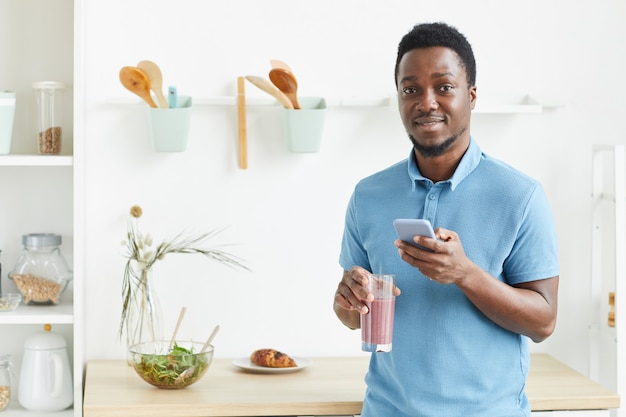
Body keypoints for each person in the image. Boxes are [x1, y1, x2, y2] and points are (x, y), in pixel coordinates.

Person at [333, 22, 559, 417]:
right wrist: (349, 300)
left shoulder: (520, 195)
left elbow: (543, 322)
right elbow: (352, 318)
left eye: (444, 87)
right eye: (411, 89)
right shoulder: (368, 195)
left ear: (471, 97)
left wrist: (465, 274)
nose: (426, 102)